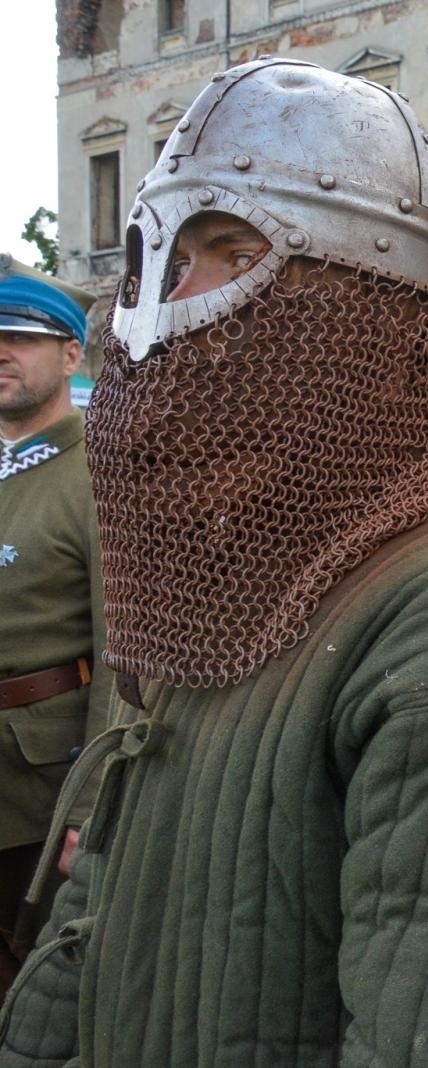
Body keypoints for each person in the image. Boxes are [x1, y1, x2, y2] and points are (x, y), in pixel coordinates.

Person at [0, 58, 428, 1067]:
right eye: (159, 255)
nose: (168, 301)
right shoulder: (216, 563)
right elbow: (96, 907)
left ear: (375, 305)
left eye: (231, 248)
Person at [0, 257, 105, 999]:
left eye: (21, 336)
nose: (0, 352)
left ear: (71, 353)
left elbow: (127, 659)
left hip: (36, 797)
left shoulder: (103, 476)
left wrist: (93, 811)